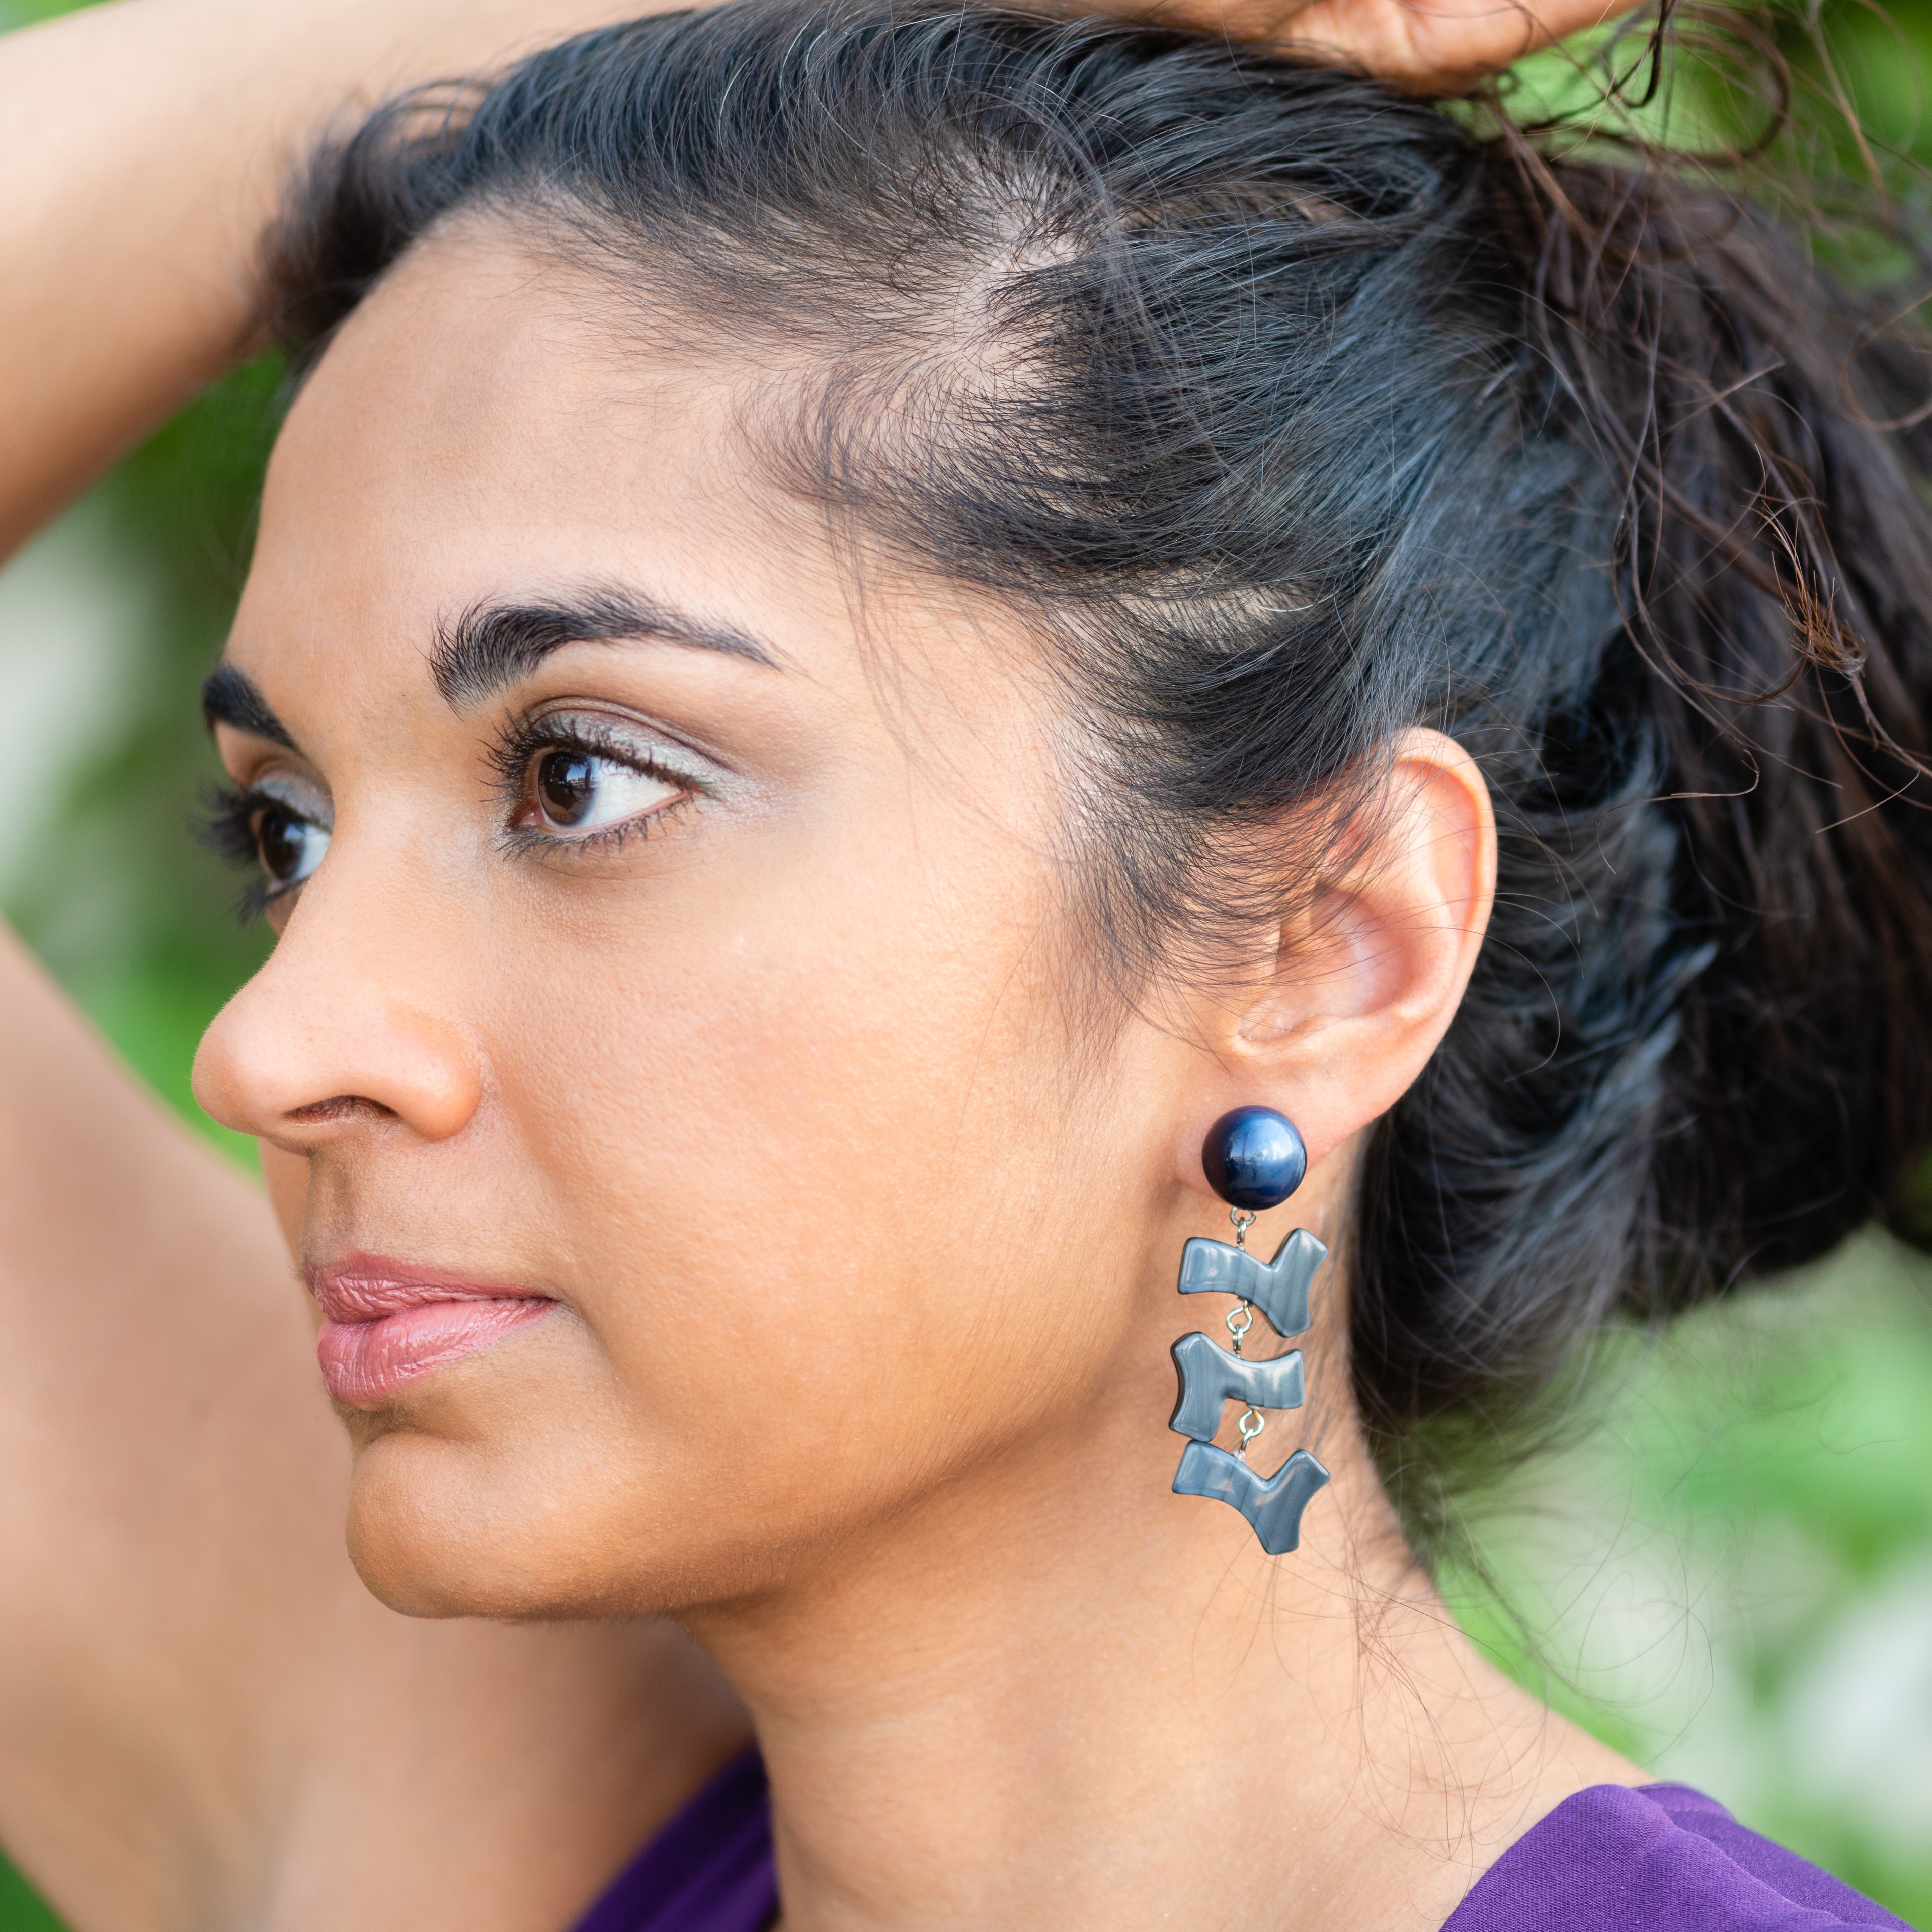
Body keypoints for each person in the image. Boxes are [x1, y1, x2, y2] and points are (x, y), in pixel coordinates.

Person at [1, 0, 1927, 1927]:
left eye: (576, 778)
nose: (274, 1043)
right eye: (287, 831)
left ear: (1325, 943)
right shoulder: (448, 1834)